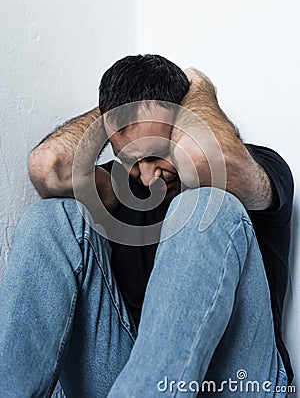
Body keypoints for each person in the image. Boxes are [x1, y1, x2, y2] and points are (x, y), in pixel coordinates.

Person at [0, 54, 294, 397]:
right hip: (130, 380)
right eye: (131, 158)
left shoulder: (254, 168)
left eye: (158, 153)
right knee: (49, 219)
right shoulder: (126, 184)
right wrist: (120, 109)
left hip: (236, 381)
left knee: (202, 204)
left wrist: (198, 88)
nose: (148, 177)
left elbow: (204, 160)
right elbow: (49, 166)